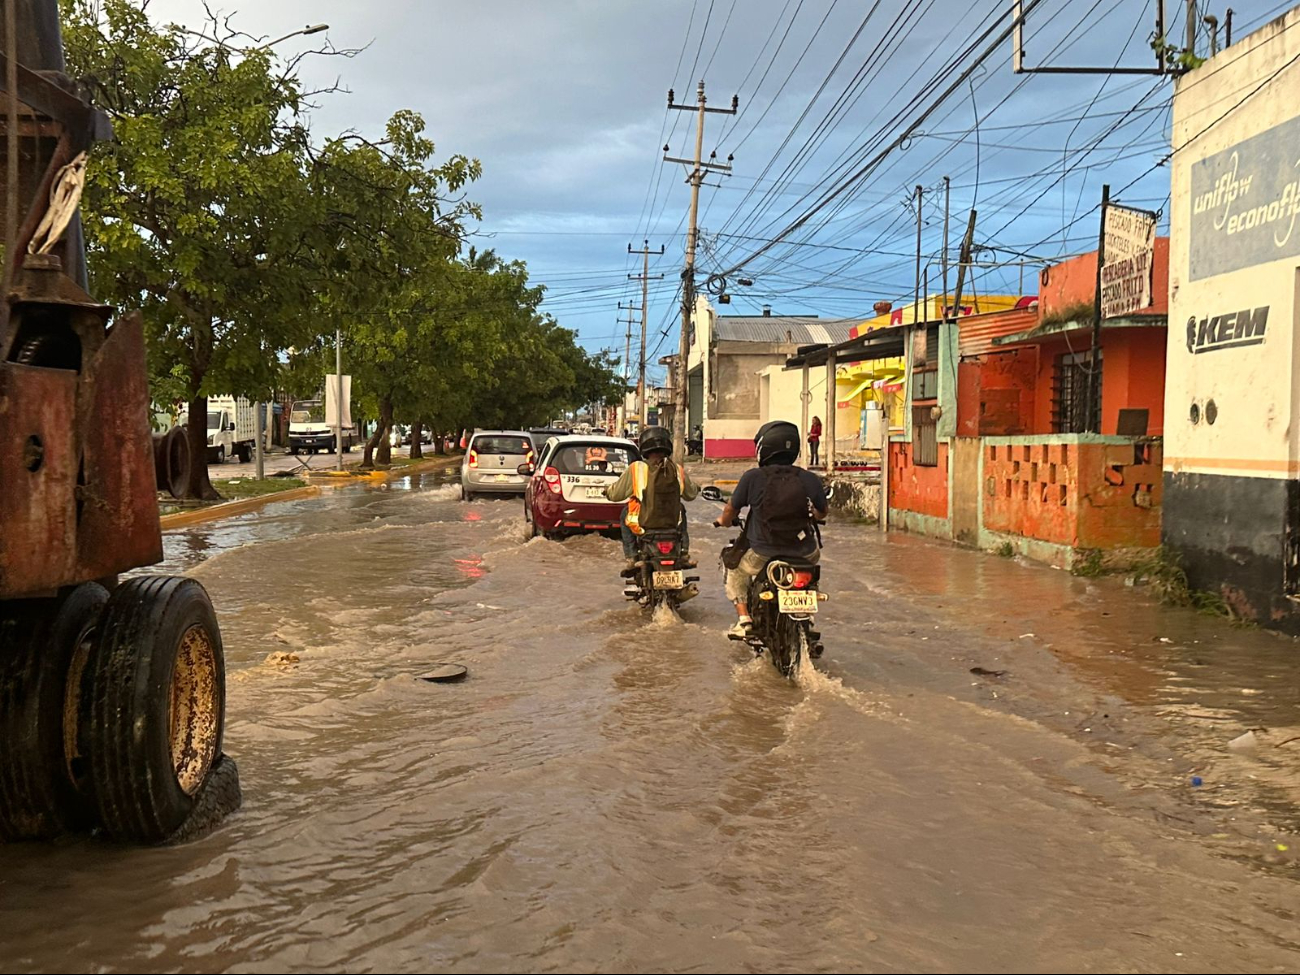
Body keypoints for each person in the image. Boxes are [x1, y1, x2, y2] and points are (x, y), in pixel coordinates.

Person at [714, 420, 828, 638]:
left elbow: (731, 509)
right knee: (811, 572)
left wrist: (723, 521)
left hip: (763, 553)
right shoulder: (808, 478)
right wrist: (813, 516)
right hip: (805, 551)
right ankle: (806, 609)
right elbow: (822, 511)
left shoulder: (753, 477)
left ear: (763, 448)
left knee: (734, 568)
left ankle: (744, 619)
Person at [604, 426, 699, 584]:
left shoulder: (636, 469)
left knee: (624, 514)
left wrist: (607, 491)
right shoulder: (676, 470)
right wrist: (697, 487)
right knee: (681, 509)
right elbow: (691, 494)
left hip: (644, 526)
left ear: (645, 448)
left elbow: (615, 495)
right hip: (672, 526)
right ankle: (684, 553)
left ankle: (632, 557)